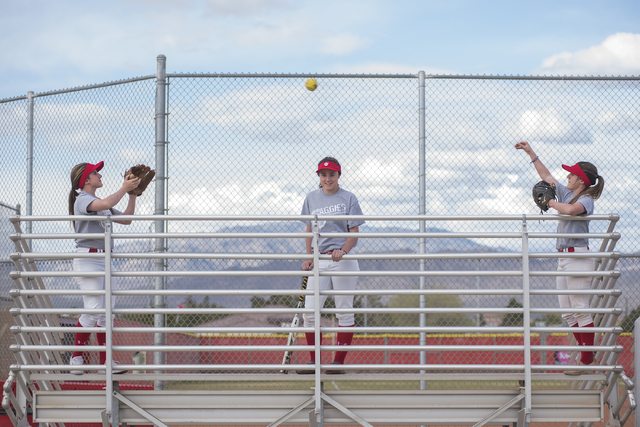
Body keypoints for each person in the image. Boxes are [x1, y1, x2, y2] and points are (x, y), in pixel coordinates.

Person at [515, 141, 605, 375]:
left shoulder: (586, 200)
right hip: (563, 258)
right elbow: (547, 176)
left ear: (581, 180)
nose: (568, 175)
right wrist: (531, 153)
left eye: (572, 173)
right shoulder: (566, 192)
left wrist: (551, 202)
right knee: (568, 312)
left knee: (580, 308)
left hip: (578, 258)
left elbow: (570, 211)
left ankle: (586, 360)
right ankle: (588, 353)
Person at [68, 161, 140, 375]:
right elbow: (107, 202)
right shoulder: (83, 199)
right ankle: (76, 357)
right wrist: (123, 189)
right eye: (94, 172)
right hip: (88, 258)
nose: (99, 174)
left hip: (105, 259)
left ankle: (104, 363)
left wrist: (132, 195)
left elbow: (126, 220)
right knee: (93, 308)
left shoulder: (100, 201)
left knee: (106, 314)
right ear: (85, 180)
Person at [297, 157, 365, 375]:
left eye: (332, 174)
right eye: (323, 174)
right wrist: (309, 257)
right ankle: (314, 361)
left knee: (343, 310)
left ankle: (338, 362)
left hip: (342, 260)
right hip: (320, 260)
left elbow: (354, 234)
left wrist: (343, 250)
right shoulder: (311, 198)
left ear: (338, 176)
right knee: (309, 311)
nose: (328, 179)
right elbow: (309, 230)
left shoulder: (348, 198)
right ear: (319, 176)